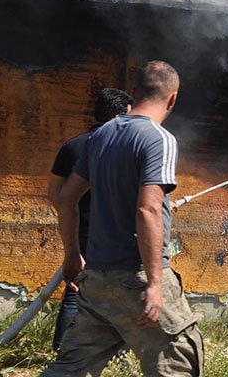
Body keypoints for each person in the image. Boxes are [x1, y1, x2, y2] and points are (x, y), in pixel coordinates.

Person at [41, 61, 203, 376]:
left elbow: (66, 198)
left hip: (98, 278)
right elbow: (148, 209)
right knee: (177, 360)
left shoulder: (99, 136)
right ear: (172, 99)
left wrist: (72, 256)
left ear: (133, 91)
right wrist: (155, 283)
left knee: (73, 366)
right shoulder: (160, 139)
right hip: (137, 275)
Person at [46, 87, 134, 352]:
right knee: (125, 296)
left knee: (75, 295)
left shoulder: (71, 146)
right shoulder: (126, 148)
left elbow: (55, 196)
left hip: (80, 233)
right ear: (119, 116)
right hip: (118, 235)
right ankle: (118, 354)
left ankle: (64, 352)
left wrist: (73, 222)